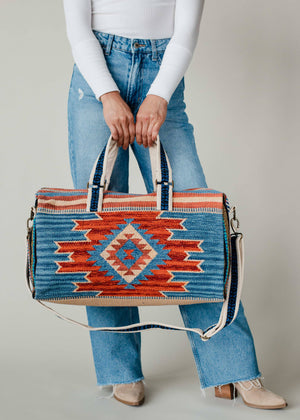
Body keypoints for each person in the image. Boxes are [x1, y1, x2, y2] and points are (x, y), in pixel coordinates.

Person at [63, 0, 287, 409]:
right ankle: (121, 372)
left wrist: (159, 96)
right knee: (102, 232)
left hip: (162, 76)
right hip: (96, 83)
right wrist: (108, 95)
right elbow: (79, 30)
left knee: (194, 229)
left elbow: (185, 33)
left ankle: (235, 372)